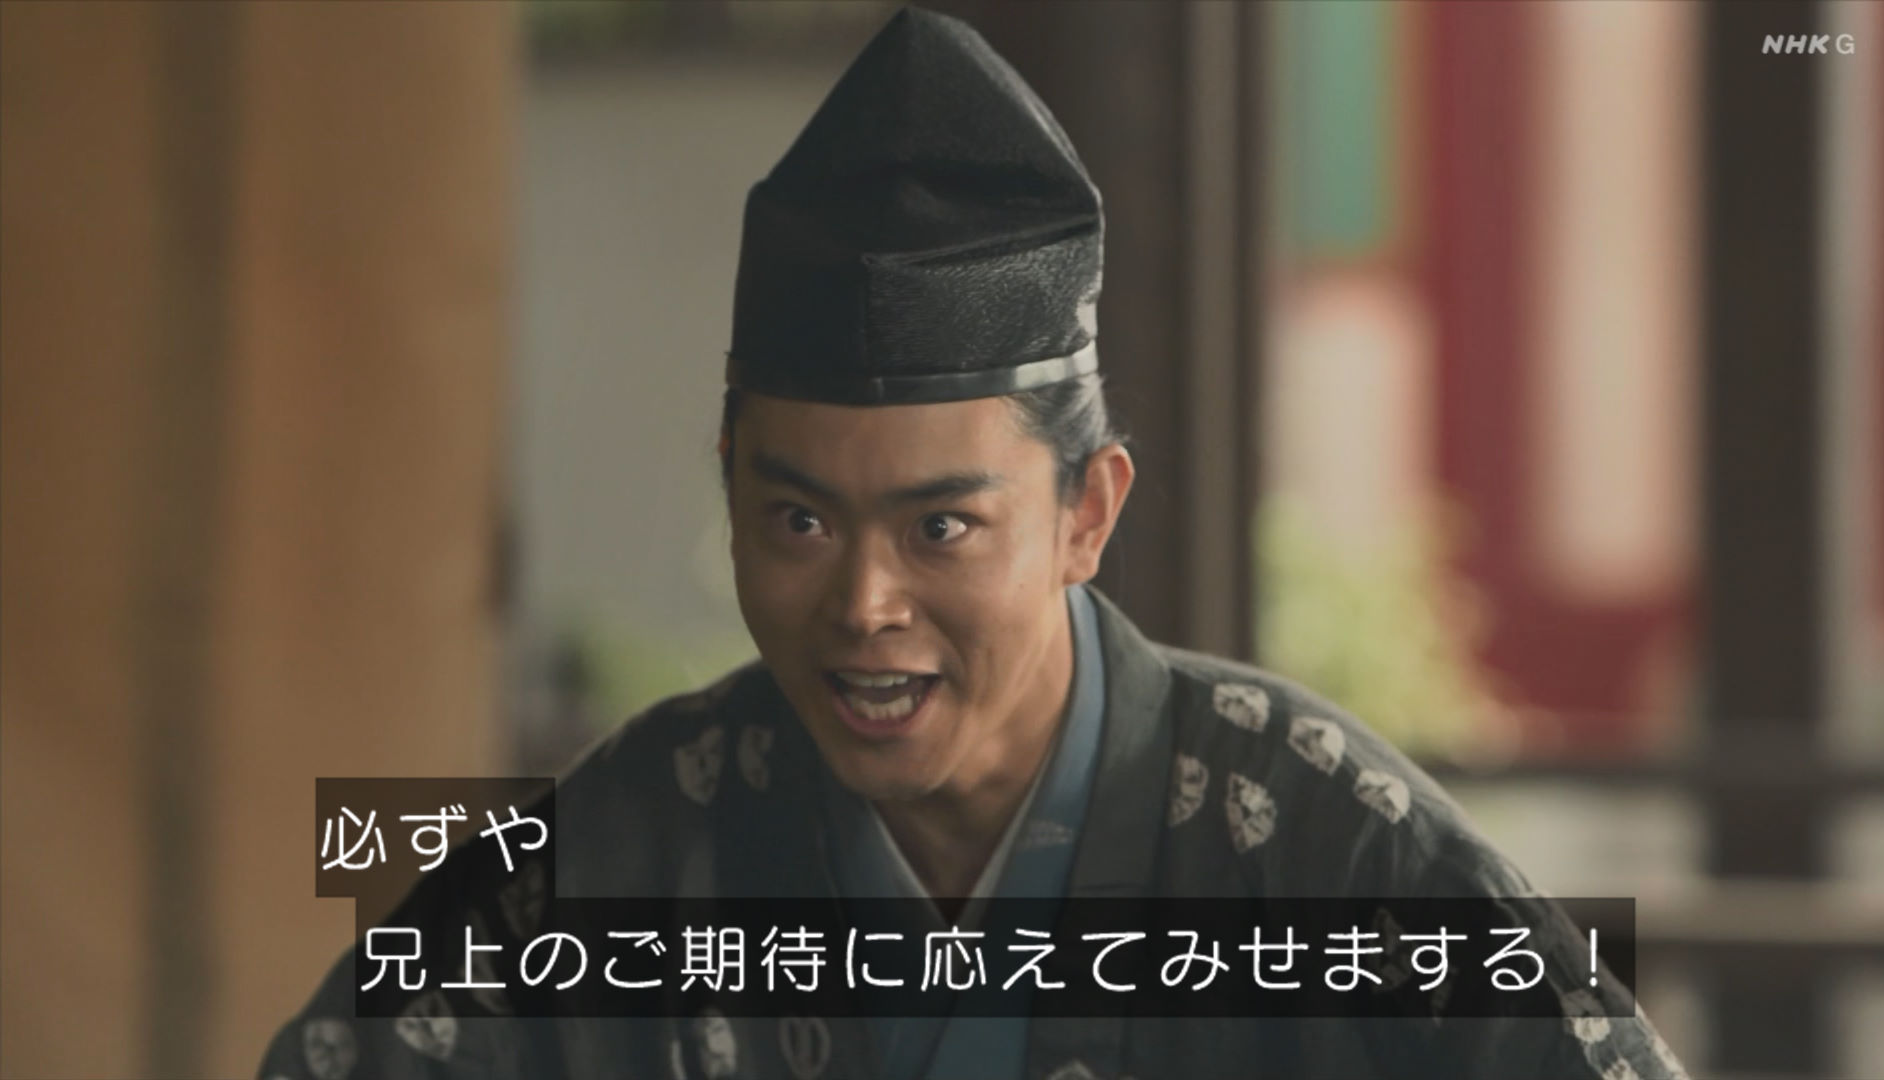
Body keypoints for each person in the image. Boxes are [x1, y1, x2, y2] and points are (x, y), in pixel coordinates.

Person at [259, 8, 1688, 1079]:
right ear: (730, 489)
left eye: (941, 524)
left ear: (1086, 513)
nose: (864, 603)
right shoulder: (633, 840)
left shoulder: (1318, 844)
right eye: (798, 519)